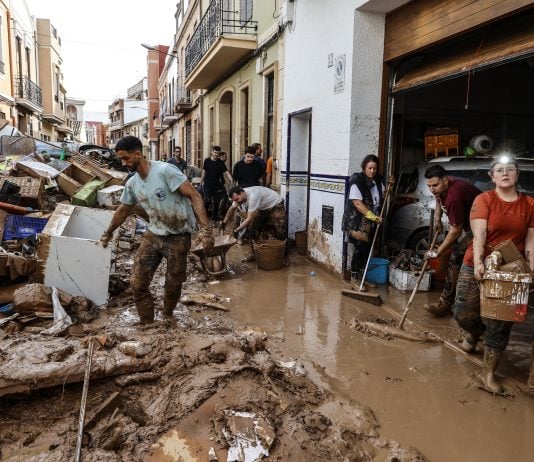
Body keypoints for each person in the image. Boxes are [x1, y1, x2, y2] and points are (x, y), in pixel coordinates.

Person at [99, 135, 214, 324]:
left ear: (138, 154)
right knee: (137, 283)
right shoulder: (132, 183)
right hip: (153, 235)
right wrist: (108, 232)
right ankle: (147, 322)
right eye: (120, 159)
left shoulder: (165, 171)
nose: (123, 163)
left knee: (173, 283)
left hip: (178, 237)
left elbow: (194, 196)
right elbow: (123, 210)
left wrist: (206, 230)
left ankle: (168, 315)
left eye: (125, 158)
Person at [453, 155, 534, 393]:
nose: (505, 173)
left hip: (510, 269)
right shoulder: (484, 199)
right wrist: (479, 263)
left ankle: (488, 373)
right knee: (463, 312)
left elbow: (530, 241)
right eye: (499, 170)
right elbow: (479, 236)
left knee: (501, 323)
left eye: (510, 169)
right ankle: (475, 332)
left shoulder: (529, 205)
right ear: (492, 176)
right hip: (476, 262)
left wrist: (530, 270)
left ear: (517, 174)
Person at [423, 165, 482, 317]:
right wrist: (437, 219)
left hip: (481, 227)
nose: (432, 189)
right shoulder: (442, 187)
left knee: (456, 255)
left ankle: (446, 303)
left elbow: (456, 230)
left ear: (445, 181)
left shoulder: (454, 197)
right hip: (467, 224)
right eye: (429, 186)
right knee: (454, 254)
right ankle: (450, 299)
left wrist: (438, 251)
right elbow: (437, 199)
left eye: (435, 185)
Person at [341, 155, 386, 287]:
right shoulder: (357, 181)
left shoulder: (378, 180)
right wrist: (374, 217)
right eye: (369, 168)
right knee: (360, 249)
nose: (372, 171)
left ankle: (362, 277)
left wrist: (389, 186)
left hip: (371, 222)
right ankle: (354, 279)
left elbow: (382, 196)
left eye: (375, 168)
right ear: (364, 167)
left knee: (366, 250)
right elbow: (357, 203)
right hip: (357, 222)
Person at [220, 185, 286, 242]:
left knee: (280, 228)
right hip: (263, 208)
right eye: (235, 200)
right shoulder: (238, 196)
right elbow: (231, 209)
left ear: (241, 193)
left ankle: (283, 249)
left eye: (237, 199)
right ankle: (257, 248)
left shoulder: (253, 196)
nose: (236, 202)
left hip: (275, 204)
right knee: (255, 227)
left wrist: (236, 230)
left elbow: (249, 219)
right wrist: (224, 222)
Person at [200, 146, 233, 220]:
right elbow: (204, 171)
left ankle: (214, 217)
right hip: (207, 185)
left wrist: (231, 178)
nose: (216, 155)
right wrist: (201, 181)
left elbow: (226, 172)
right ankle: (203, 213)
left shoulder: (220, 162)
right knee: (208, 200)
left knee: (216, 202)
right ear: (212, 152)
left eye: (218, 153)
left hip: (217, 185)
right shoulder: (207, 161)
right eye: (215, 153)